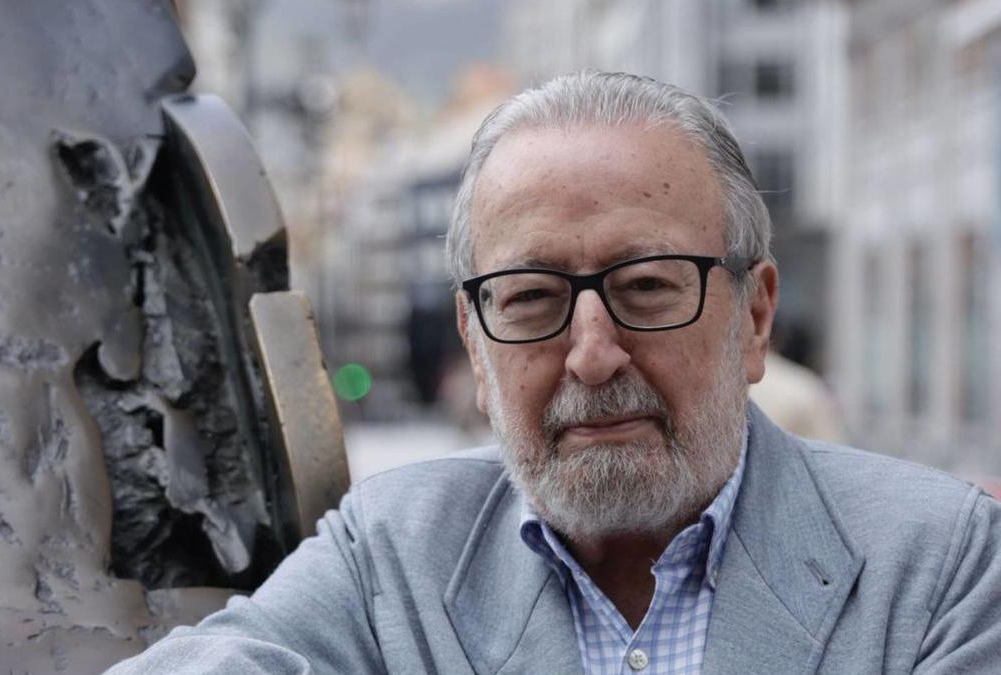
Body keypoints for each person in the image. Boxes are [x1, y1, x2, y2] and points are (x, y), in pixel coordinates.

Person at [108, 72, 1000, 674]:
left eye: (648, 286)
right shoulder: (392, 553)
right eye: (531, 298)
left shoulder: (942, 565)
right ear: (473, 333)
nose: (592, 353)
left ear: (755, 316)